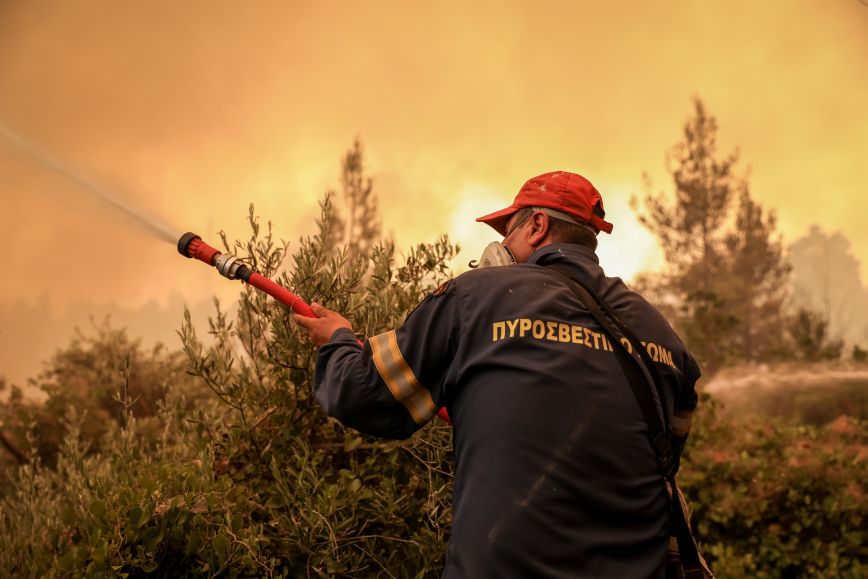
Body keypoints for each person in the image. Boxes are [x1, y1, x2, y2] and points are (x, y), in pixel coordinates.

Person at [294, 171, 701, 578]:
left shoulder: (475, 298)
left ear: (537, 226)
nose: (502, 244)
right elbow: (662, 456)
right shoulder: (660, 332)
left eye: (509, 230)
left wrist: (339, 339)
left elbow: (364, 396)